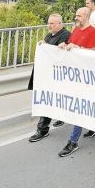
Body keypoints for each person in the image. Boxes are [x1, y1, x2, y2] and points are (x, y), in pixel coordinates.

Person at [57, 7, 95, 157]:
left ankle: (73, 142)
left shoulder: (93, 31)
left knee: (79, 108)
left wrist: (79, 48)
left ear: (86, 16)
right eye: (76, 15)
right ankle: (93, 125)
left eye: (79, 16)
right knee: (86, 105)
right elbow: (70, 44)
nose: (76, 18)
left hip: (86, 76)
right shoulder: (75, 30)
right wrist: (64, 45)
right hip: (74, 76)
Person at [28, 13, 70, 142]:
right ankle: (61, 117)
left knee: (48, 101)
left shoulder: (66, 35)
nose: (49, 25)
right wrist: (43, 44)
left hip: (57, 77)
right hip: (48, 75)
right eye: (48, 23)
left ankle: (42, 129)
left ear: (59, 24)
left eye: (52, 23)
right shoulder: (50, 34)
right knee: (51, 100)